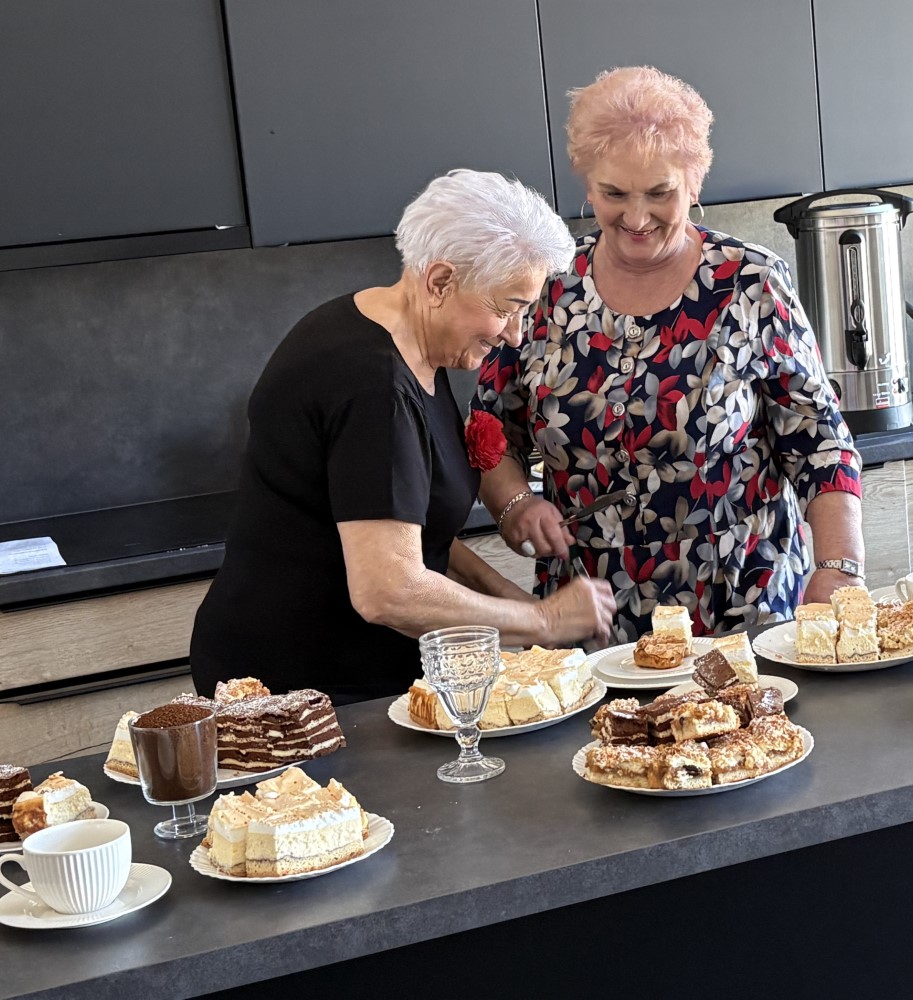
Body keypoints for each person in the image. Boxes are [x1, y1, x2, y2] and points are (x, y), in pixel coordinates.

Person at [192, 170, 617, 704]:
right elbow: (387, 590)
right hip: (301, 686)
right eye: (506, 307)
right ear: (439, 281)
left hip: (349, 670)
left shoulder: (391, 334)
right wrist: (543, 621)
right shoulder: (375, 386)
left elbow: (405, 524)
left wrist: (509, 598)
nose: (514, 333)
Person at [472, 66, 865, 641]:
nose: (636, 218)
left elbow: (820, 443)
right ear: (587, 186)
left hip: (742, 612)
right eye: (613, 194)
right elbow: (488, 430)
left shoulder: (751, 284)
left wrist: (839, 567)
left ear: (694, 184)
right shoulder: (545, 285)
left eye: (660, 193)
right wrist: (514, 505)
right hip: (589, 618)